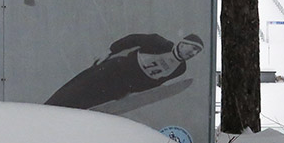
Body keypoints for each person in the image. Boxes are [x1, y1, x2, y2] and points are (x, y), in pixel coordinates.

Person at [45, 33, 204, 110]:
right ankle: (47, 109)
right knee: (76, 89)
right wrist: (109, 51)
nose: (193, 53)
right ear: (183, 43)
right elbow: (131, 40)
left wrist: (134, 92)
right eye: (193, 48)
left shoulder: (180, 69)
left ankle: (66, 116)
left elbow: (157, 80)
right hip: (113, 70)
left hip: (124, 86)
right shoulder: (159, 42)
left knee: (90, 101)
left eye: (197, 52)